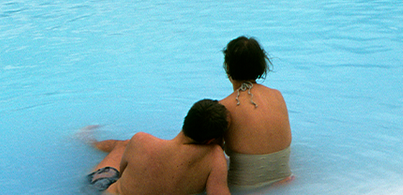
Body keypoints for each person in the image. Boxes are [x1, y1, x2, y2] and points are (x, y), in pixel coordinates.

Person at [85, 99, 230, 195]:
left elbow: (123, 174)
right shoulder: (214, 158)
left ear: (187, 120)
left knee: (123, 145)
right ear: (210, 140)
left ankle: (88, 140)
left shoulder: (140, 140)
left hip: (103, 189)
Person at [220, 37, 292, 190]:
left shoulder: (225, 107)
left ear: (228, 67)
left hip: (244, 188)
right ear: (261, 65)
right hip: (284, 181)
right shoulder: (277, 95)